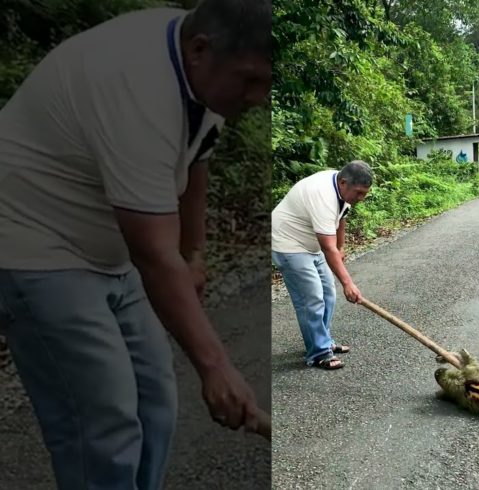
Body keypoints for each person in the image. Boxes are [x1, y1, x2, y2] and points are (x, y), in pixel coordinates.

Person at [0, 0, 271, 488]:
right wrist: (217, 367)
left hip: (110, 245)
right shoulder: (136, 86)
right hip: (34, 243)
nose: (259, 96)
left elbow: (196, 159)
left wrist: (194, 252)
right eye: (250, 80)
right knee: (104, 423)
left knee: (155, 404)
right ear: (199, 50)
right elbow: (152, 253)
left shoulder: (204, 73)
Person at [271, 161, 373, 370]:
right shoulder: (322, 196)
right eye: (359, 193)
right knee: (312, 298)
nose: (361, 199)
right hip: (289, 243)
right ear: (343, 182)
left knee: (328, 294)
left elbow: (341, 216)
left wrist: (341, 246)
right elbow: (328, 249)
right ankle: (318, 352)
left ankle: (322, 340)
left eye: (364, 194)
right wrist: (348, 283)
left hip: (311, 242)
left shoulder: (342, 188)